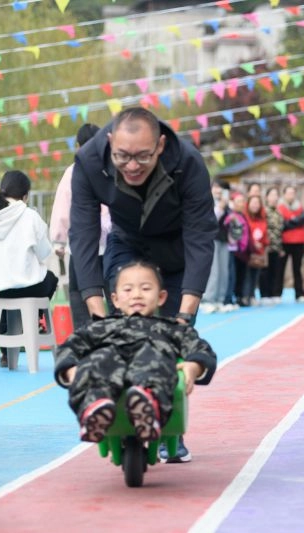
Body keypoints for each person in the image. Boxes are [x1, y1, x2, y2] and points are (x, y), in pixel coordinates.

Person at [69, 106, 217, 463]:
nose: (132, 165)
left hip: (178, 246)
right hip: (127, 243)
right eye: (122, 156)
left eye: (142, 157)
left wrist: (185, 314)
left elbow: (200, 236)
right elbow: (84, 235)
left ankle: (169, 425)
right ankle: (109, 407)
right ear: (108, 144)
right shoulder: (89, 162)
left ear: (161, 146)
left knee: (170, 336)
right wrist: (97, 311)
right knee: (119, 326)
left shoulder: (189, 162)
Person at [53, 261, 217, 445]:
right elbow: (70, 346)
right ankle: (96, 408)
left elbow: (199, 347)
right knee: (99, 359)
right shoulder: (101, 327)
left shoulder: (170, 328)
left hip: (149, 376)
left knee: (154, 358)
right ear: (115, 299)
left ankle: (147, 404)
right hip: (107, 373)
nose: (137, 295)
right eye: (128, 290)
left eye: (146, 288)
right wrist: (70, 369)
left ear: (161, 297)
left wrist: (194, 366)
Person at [0, 170, 59, 366]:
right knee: (51, 279)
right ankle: (36, 320)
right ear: (25, 196)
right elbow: (44, 253)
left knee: (6, 289)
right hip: (28, 290)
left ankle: (6, 353)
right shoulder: (30, 216)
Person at [49, 123, 107, 329]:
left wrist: (59, 239)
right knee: (115, 295)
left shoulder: (73, 172)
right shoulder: (109, 168)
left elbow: (63, 209)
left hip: (81, 245)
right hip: (110, 244)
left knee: (79, 293)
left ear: (78, 146)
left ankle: (84, 337)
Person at [200, 180, 231, 314]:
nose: (218, 191)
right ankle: (208, 300)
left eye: (221, 188)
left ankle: (219, 299)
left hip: (224, 240)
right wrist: (221, 207)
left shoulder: (227, 204)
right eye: (216, 188)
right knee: (214, 271)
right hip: (211, 239)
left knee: (224, 271)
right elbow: (210, 220)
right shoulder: (207, 202)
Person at [278, 185, 304, 302]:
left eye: (292, 193)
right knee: (280, 268)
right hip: (285, 242)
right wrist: (295, 222)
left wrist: (290, 222)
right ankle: (278, 293)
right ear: (284, 194)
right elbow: (282, 224)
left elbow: (303, 219)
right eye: (288, 193)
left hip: (299, 241)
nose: (291, 195)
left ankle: (299, 294)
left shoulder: (300, 207)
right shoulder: (280, 207)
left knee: (298, 269)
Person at [224, 191, 251, 308]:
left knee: (240, 276)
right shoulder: (231, 216)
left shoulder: (243, 215)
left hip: (243, 251)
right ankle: (228, 298)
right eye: (239, 201)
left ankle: (238, 297)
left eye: (242, 201)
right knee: (231, 275)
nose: (242, 204)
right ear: (233, 203)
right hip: (234, 250)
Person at [259, 187, 285, 304]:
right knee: (265, 271)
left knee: (275, 271)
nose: (274, 198)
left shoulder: (279, 212)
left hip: (277, 246)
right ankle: (264, 294)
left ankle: (274, 293)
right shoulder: (264, 211)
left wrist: (280, 247)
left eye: (276, 195)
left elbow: (280, 230)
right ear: (267, 197)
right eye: (272, 195)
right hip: (266, 246)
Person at [242, 194, 269, 306]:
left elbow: (266, 236)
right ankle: (244, 296)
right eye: (253, 203)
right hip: (246, 251)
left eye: (257, 203)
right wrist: (252, 244)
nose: (255, 205)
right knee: (246, 275)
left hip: (259, 252)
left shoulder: (262, 219)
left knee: (255, 275)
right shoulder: (244, 217)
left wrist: (262, 244)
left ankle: (252, 295)